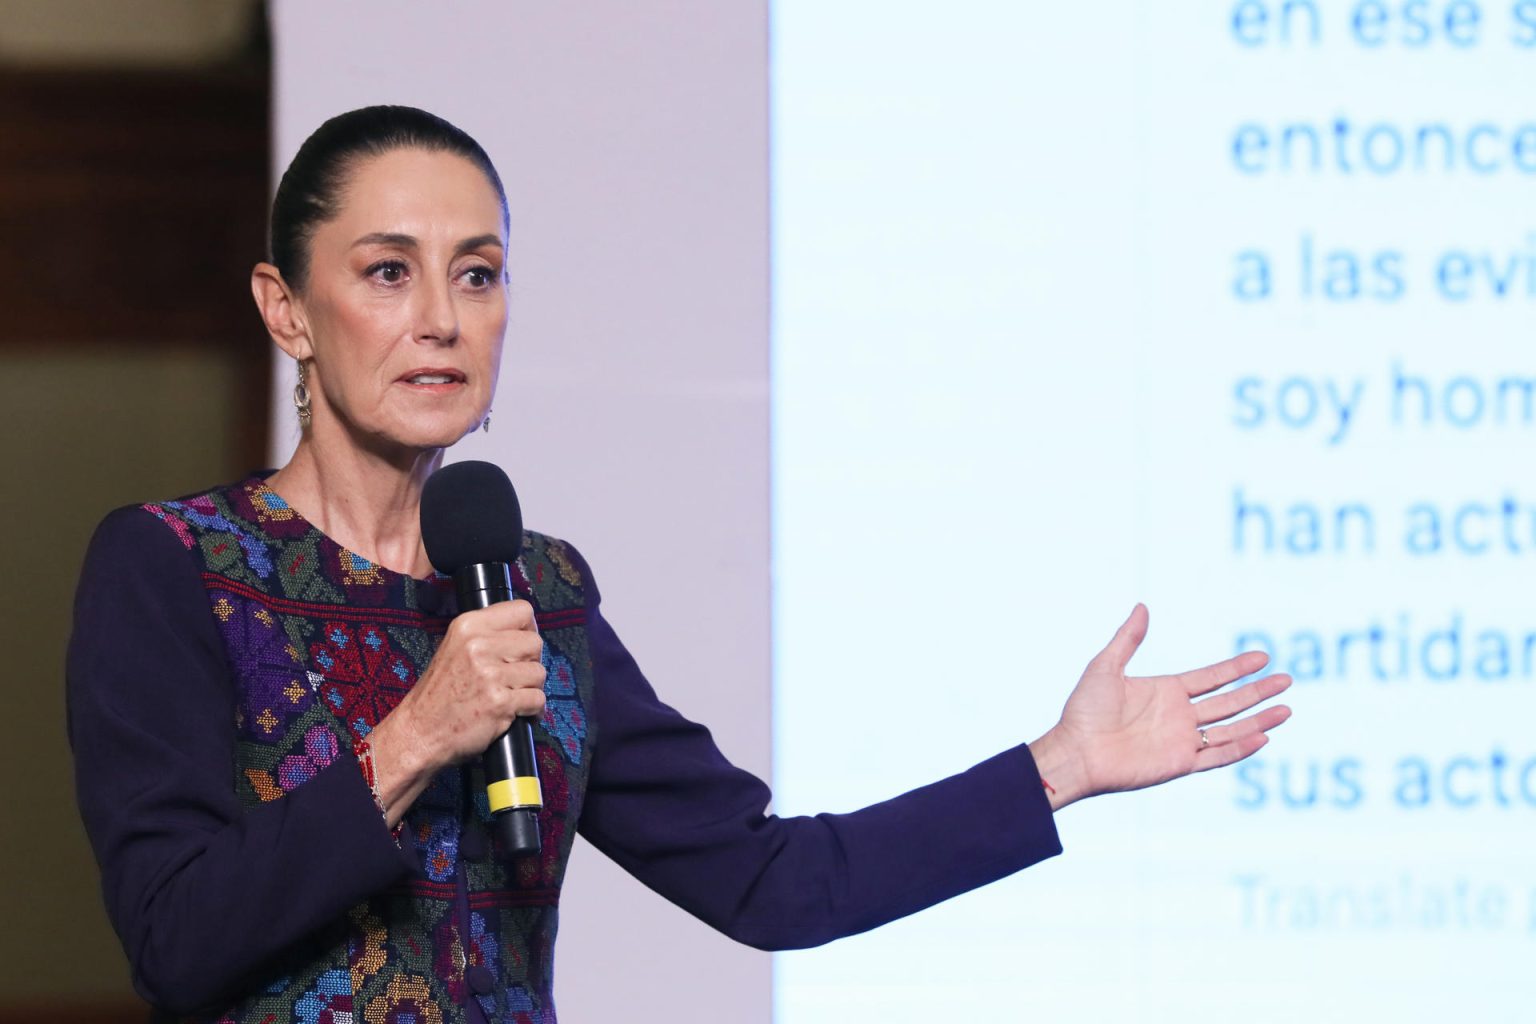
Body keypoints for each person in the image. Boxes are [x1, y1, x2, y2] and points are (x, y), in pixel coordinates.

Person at [66, 105, 1292, 1024]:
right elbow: (176, 939)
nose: (442, 317)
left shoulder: (536, 594)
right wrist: (410, 741)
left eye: (478, 274)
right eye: (390, 272)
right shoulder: (175, 567)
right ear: (288, 309)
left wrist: (1060, 765)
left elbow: (773, 880)